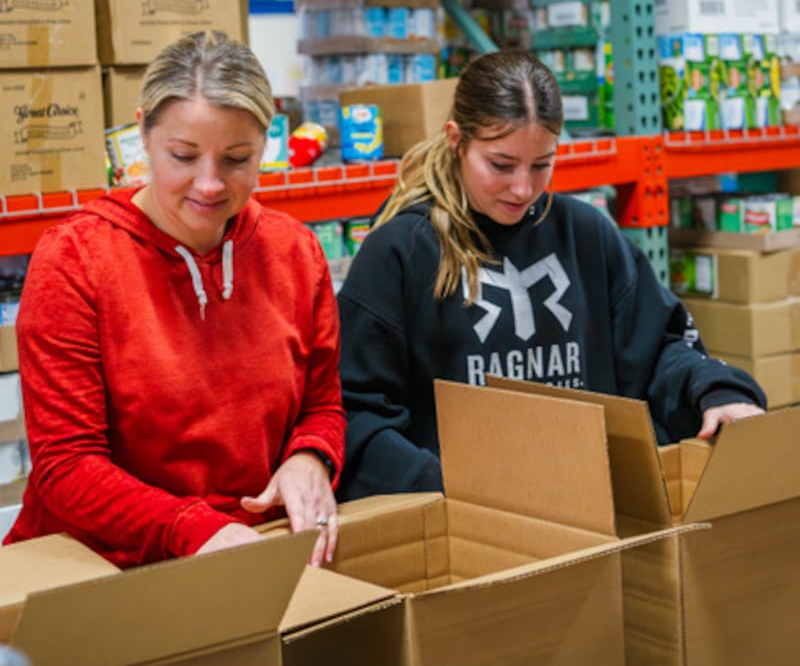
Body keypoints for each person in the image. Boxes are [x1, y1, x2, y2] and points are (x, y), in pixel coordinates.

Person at [337, 50, 767, 500]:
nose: (523, 188)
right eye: (500, 165)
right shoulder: (400, 252)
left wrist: (717, 393)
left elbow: (659, 347)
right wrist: (440, 486)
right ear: (456, 140)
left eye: (542, 164)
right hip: (461, 528)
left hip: (592, 505)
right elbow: (357, 412)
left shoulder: (585, 234)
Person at [5, 30, 345, 568]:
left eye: (237, 159)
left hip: (252, 553)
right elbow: (66, 466)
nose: (209, 185)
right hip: (104, 565)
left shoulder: (294, 252)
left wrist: (310, 457)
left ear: (267, 143)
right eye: (183, 156)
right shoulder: (77, 260)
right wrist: (191, 527)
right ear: (143, 131)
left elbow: (321, 404)